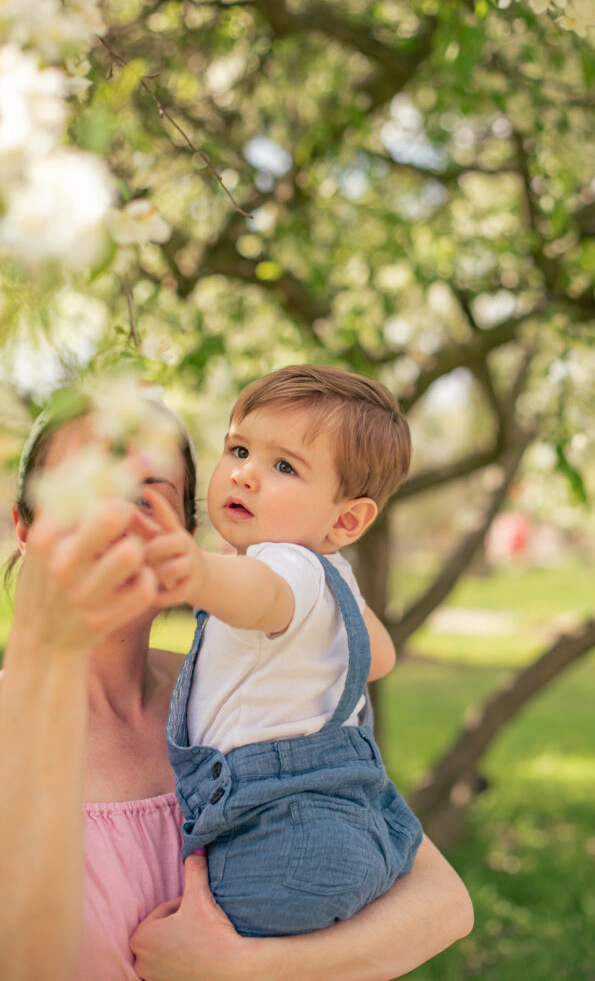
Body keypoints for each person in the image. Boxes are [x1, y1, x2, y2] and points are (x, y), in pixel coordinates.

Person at [0, 393, 474, 981]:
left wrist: (249, 966)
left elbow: (445, 906)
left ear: (188, 535)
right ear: (25, 525)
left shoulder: (244, 696)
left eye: (143, 498)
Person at [143, 365, 424, 937]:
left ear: (347, 518)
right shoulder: (333, 578)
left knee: (189, 949)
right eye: (239, 449)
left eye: (283, 466)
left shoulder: (285, 566)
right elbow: (383, 656)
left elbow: (261, 597)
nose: (244, 475)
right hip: (342, 820)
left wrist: (195, 569)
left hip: (275, 835)